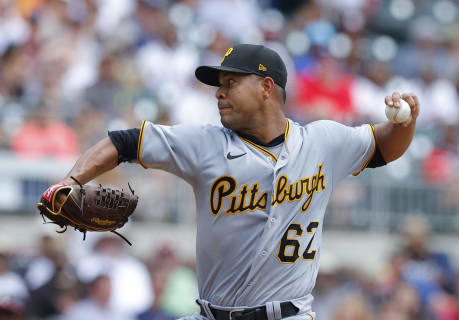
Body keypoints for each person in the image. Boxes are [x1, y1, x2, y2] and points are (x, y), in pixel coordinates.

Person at [48, 44, 420, 320]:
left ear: (266, 87)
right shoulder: (205, 143)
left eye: (231, 82)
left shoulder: (323, 141)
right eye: (218, 84)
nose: (219, 92)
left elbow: (385, 146)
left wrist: (407, 120)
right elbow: (123, 142)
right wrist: (70, 179)